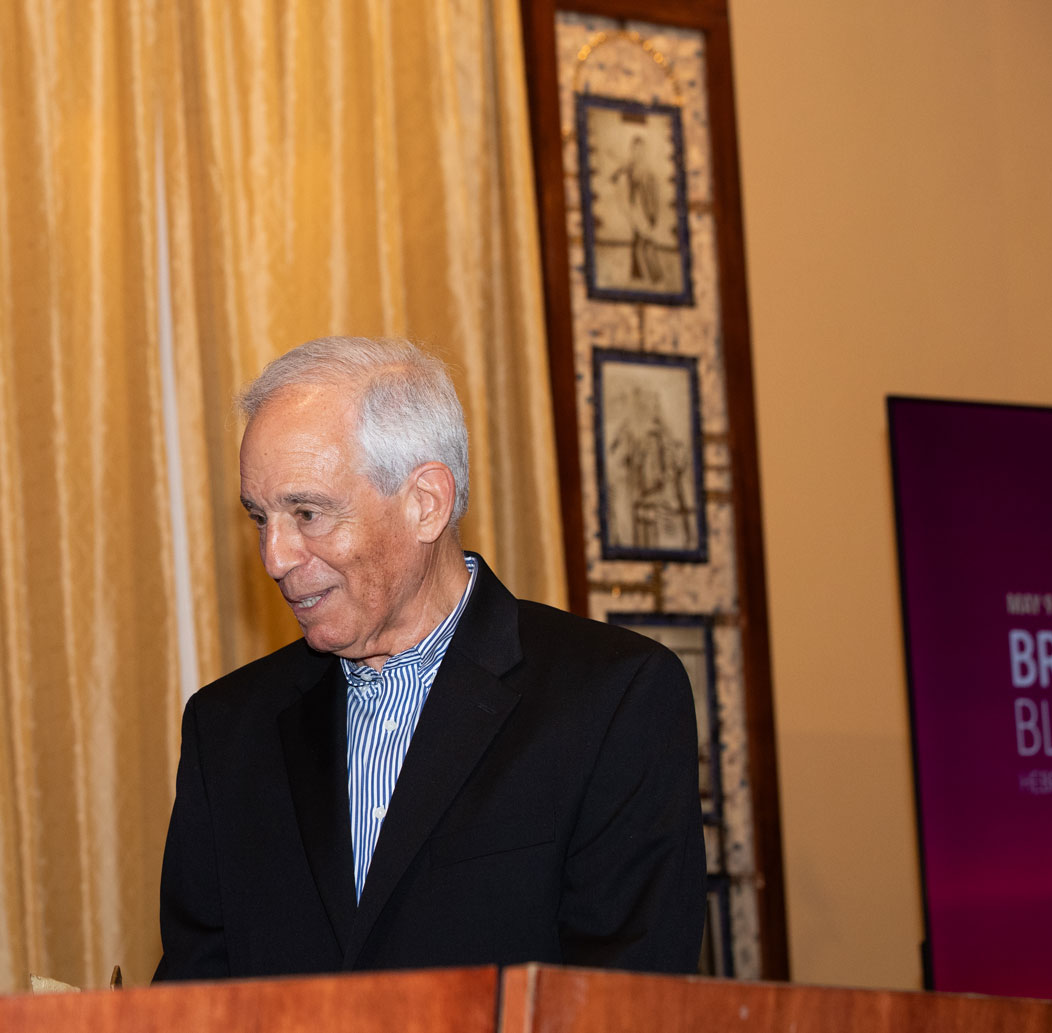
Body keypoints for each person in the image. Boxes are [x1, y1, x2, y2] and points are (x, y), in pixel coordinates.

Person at [154, 337, 704, 980]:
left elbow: (626, 1003)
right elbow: (195, 998)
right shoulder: (226, 728)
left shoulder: (612, 699)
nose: (274, 557)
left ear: (426, 503)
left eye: (307, 513)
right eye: (260, 518)